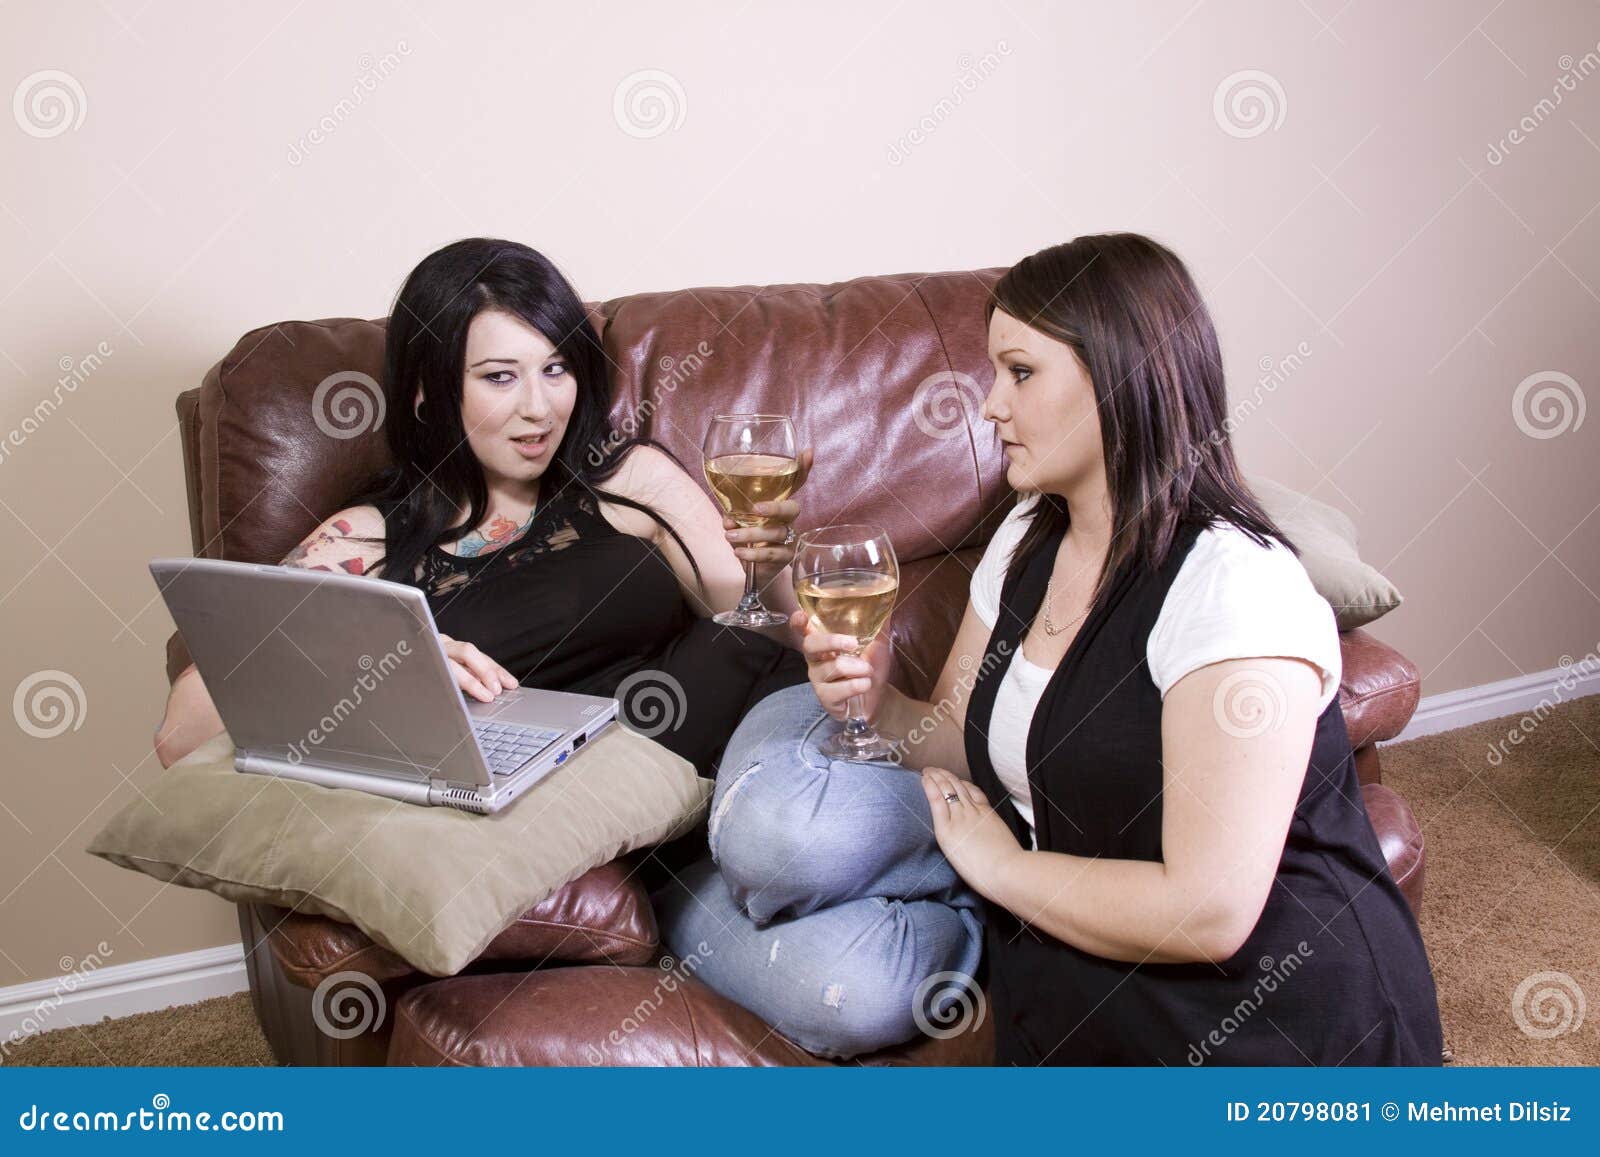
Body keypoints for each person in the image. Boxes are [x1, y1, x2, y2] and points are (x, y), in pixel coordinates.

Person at [662, 232, 1443, 1066]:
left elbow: (1211, 911)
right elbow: (961, 737)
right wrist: (871, 704)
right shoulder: (1029, 540)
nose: (991, 405)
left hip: (1273, 1020)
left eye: (1021, 372)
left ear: (1123, 377)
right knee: (824, 939)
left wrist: (1000, 868)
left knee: (847, 973)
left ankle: (680, 892)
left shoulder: (1233, 587)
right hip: (1079, 969)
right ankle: (673, 885)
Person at [154, 237, 809, 783]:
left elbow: (761, 621)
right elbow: (182, 735)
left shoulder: (629, 477)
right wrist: (396, 665)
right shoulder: (366, 540)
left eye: (556, 370)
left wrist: (771, 564)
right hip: (607, 811)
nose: (540, 407)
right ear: (425, 393)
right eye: (500, 376)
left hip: (768, 748)